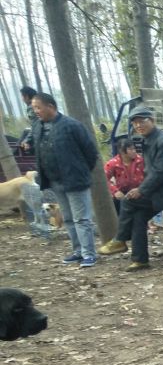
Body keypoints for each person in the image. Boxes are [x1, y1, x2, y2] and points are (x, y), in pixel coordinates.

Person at [98, 106, 163, 271]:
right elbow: (151, 172)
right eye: (135, 123)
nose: (138, 126)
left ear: (152, 121)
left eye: (142, 121)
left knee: (129, 201)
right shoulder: (149, 140)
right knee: (139, 217)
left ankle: (120, 240)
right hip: (162, 188)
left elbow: (160, 172)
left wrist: (141, 190)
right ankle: (140, 260)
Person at [29, 92, 99, 268]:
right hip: (54, 180)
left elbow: (91, 152)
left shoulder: (72, 126)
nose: (36, 111)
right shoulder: (37, 127)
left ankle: (89, 254)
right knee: (67, 217)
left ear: (51, 107)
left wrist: (81, 171)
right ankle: (77, 251)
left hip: (75, 180)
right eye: (33, 108)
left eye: (38, 107)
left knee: (81, 218)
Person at [103, 138, 145, 221]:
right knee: (121, 218)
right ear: (122, 151)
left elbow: (148, 176)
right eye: (130, 149)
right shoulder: (113, 163)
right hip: (122, 194)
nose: (134, 151)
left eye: (134, 148)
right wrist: (115, 191)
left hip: (139, 193)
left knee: (139, 219)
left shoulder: (140, 160)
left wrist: (141, 189)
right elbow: (104, 179)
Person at [17, 86, 37, 152]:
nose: (22, 98)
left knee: (26, 132)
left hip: (39, 133)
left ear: (27, 96)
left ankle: (14, 154)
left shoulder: (31, 107)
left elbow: (35, 126)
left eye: (22, 96)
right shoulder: (36, 104)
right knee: (26, 131)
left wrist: (26, 140)